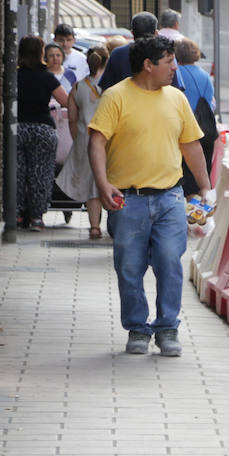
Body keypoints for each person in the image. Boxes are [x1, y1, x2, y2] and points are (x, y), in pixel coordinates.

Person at [88, 36, 212, 356]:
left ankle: (168, 327)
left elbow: (191, 145)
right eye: (169, 61)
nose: (175, 67)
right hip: (127, 200)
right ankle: (137, 328)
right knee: (129, 267)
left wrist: (205, 186)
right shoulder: (115, 97)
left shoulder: (176, 98)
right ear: (148, 65)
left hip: (170, 196)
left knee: (170, 261)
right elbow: (97, 142)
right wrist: (102, 185)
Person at [15, 35, 69, 231]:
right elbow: (66, 101)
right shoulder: (47, 77)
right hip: (42, 129)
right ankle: (37, 217)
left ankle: (18, 215)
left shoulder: (14, 76)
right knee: (41, 173)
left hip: (17, 129)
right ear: (40, 54)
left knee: (17, 173)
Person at [57, 46, 110, 239]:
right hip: (110, 141)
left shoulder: (78, 86)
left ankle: (94, 227)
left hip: (86, 140)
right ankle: (115, 224)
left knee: (92, 186)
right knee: (113, 181)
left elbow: (72, 118)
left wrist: (78, 138)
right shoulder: (114, 87)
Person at [174, 38, 218, 196]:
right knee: (201, 176)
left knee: (185, 178)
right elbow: (211, 103)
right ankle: (198, 212)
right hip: (206, 130)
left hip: (186, 131)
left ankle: (187, 214)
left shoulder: (176, 74)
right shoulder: (205, 76)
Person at [99, 11, 158, 90]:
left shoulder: (117, 54)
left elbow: (106, 88)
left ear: (132, 33)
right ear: (156, 33)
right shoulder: (165, 56)